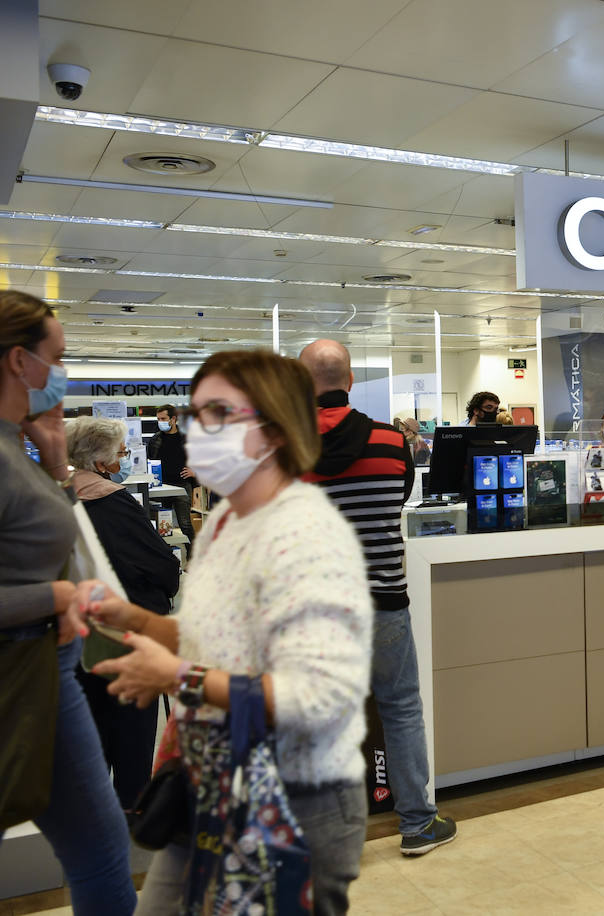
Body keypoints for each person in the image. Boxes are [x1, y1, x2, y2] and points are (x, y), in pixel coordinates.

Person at [73, 349, 373, 915]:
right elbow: (208, 638)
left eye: (219, 416)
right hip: (211, 781)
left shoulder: (304, 534)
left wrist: (178, 677)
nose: (199, 432)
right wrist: (132, 619)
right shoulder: (227, 523)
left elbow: (315, 698)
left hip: (292, 803)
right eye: (198, 415)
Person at [0, 290, 137, 915]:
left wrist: (56, 467)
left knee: (101, 845)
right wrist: (56, 595)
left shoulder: (17, 446)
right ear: (19, 362)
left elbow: (52, 545)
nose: (65, 373)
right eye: (57, 358)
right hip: (14, 675)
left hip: (45, 675)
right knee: (99, 847)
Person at [297, 339, 458, 857]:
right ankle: (417, 824)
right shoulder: (391, 441)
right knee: (401, 707)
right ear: (349, 378)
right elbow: (399, 499)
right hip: (384, 598)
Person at [66, 416, 181, 811]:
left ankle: (95, 805)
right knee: (132, 723)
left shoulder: (58, 500)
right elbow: (161, 565)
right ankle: (132, 805)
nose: (123, 458)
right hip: (130, 631)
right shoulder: (114, 501)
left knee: (91, 724)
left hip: (77, 632)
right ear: (100, 461)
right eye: (118, 452)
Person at [149, 403, 198, 543]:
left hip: (182, 486)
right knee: (161, 527)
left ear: (173, 419)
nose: (160, 422)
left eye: (163, 419)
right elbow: (149, 460)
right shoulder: (155, 440)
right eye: (158, 419)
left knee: (185, 525)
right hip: (161, 488)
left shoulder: (187, 439)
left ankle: (193, 557)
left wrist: (194, 472)